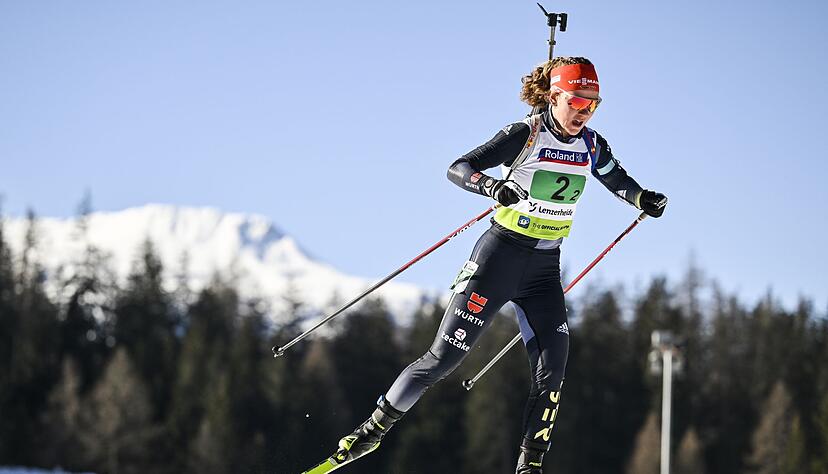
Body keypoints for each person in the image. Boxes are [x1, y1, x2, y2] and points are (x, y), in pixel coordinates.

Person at [308, 57, 668, 474]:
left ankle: (528, 466)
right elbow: (458, 168)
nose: (584, 113)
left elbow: (615, 177)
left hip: (543, 271)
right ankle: (369, 434)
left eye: (594, 105)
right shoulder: (525, 133)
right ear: (554, 96)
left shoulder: (592, 144)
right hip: (498, 258)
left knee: (554, 367)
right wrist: (493, 187)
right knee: (443, 359)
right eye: (577, 102)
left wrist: (643, 199)